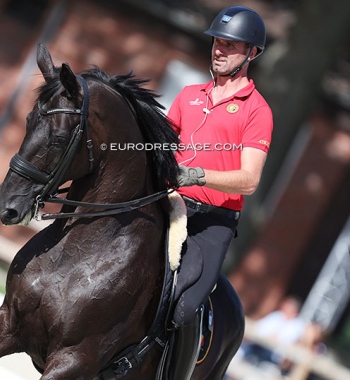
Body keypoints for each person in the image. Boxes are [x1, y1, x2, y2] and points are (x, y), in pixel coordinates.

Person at [164, 6, 274, 379]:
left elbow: (249, 180)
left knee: (184, 309)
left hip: (212, 222)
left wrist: (194, 173)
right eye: (217, 42)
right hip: (169, 204)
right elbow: (162, 146)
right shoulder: (188, 94)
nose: (219, 50)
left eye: (230, 45)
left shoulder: (258, 111)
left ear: (252, 53)